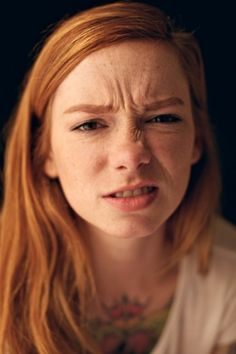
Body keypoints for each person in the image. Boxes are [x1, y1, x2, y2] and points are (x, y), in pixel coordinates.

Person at [0, 1, 235, 353]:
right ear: (44, 152)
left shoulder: (229, 275)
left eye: (162, 118)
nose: (131, 156)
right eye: (89, 124)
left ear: (197, 140)